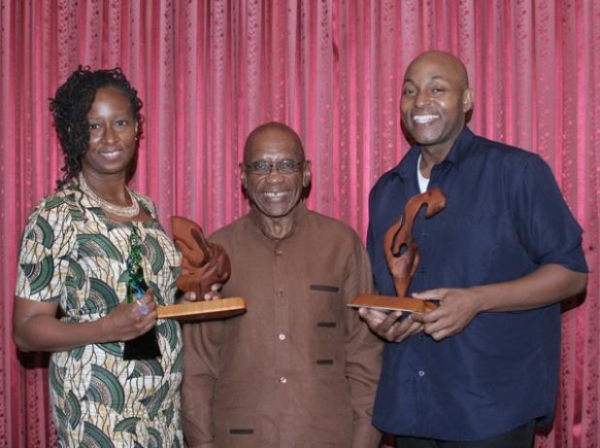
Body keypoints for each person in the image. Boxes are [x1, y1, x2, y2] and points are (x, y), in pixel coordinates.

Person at [358, 50, 588, 447]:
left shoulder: (516, 172)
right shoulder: (386, 191)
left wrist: (476, 300)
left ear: (466, 101)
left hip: (491, 408)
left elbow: (571, 272)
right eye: (410, 91)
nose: (420, 102)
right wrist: (385, 322)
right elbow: (390, 292)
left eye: (437, 89)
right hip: (411, 408)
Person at [13, 67, 188, 447]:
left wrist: (196, 290)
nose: (109, 137)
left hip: (162, 409)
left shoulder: (147, 209)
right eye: (93, 126)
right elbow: (25, 331)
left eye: (120, 122)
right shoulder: (56, 214)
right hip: (97, 410)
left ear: (137, 128)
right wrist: (104, 329)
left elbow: (156, 302)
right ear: (74, 134)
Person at [181, 121, 383, 448]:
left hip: (327, 436)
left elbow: (365, 357)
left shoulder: (341, 245)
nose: (274, 178)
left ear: (306, 173)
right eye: (260, 167)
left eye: (286, 165)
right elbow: (197, 367)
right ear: (243, 177)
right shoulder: (215, 254)